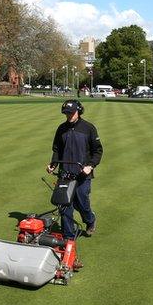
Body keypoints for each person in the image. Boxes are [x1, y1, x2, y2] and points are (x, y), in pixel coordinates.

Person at [47, 99, 103, 252]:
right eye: (66, 113)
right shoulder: (62, 129)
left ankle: (90, 220)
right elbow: (57, 149)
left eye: (71, 113)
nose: (69, 116)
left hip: (82, 175)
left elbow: (98, 151)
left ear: (79, 111)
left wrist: (90, 166)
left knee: (82, 202)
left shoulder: (88, 128)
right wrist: (53, 164)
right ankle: (68, 238)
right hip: (65, 173)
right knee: (65, 206)